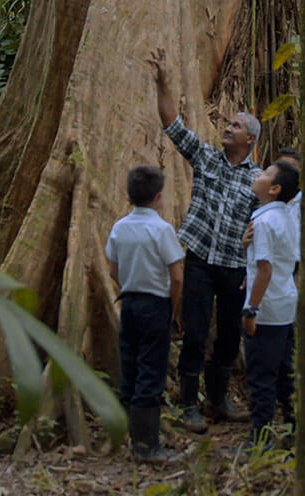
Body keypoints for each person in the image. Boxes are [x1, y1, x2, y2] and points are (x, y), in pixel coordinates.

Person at [147, 48, 259, 431]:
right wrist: (163, 81)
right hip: (199, 262)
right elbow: (172, 123)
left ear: (250, 139)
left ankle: (218, 401)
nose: (227, 127)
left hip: (235, 268)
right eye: (229, 123)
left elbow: (269, 220)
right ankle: (188, 405)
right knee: (194, 334)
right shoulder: (208, 158)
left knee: (228, 337)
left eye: (236, 126)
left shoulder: (259, 179)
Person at [105, 165, 185, 461]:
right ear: (158, 197)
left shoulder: (119, 227)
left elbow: (113, 269)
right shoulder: (162, 230)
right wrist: (172, 309)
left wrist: (128, 285)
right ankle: (147, 446)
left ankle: (129, 437)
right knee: (151, 370)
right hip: (155, 304)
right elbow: (177, 277)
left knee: (130, 366)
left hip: (129, 303)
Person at [241, 161, 301, 449]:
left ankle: (260, 438)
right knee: (283, 371)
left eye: (265, 174)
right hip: (284, 302)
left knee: (261, 375)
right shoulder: (286, 216)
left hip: (266, 308)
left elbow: (265, 268)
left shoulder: (264, 222)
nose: (258, 175)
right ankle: (293, 427)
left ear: (275, 189)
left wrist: (251, 309)